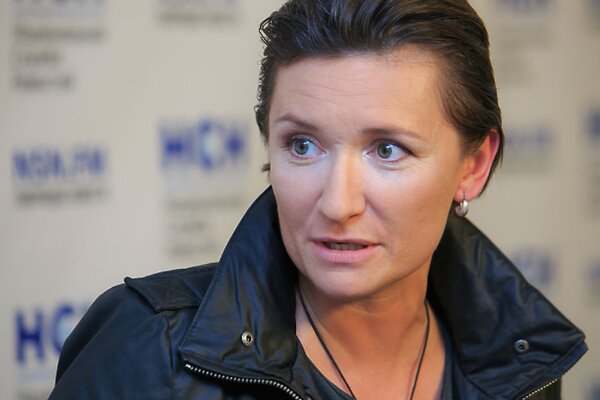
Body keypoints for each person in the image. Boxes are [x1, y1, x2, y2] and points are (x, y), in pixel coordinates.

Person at [49, 0, 587, 399]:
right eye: (302, 145)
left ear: (473, 165)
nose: (336, 203)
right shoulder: (150, 348)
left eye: (387, 149)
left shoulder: (523, 363)